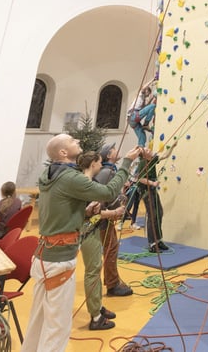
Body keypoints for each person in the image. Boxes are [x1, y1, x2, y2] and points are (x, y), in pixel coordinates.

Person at [20, 134, 141, 352]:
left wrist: (82, 212)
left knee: (38, 320)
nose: (78, 141)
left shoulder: (49, 174)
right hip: (58, 260)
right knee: (58, 326)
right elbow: (108, 191)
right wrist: (126, 163)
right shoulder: (70, 177)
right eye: (72, 141)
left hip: (44, 255)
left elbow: (59, 208)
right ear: (63, 153)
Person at [75, 151, 126, 331]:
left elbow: (91, 211)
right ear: (94, 164)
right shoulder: (85, 183)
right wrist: (112, 213)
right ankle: (95, 317)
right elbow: (86, 215)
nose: (101, 164)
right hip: (88, 231)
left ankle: (97, 307)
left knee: (95, 270)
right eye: (99, 162)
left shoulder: (89, 182)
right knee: (92, 272)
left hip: (93, 229)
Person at [95, 143, 133, 297]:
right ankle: (112, 284)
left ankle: (113, 281)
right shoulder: (108, 172)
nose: (117, 151)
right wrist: (120, 205)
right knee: (111, 250)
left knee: (111, 248)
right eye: (114, 150)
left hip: (102, 217)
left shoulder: (107, 171)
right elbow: (109, 196)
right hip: (104, 219)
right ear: (110, 155)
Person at [135, 146, 168, 252]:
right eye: (147, 150)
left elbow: (165, 155)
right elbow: (140, 178)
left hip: (152, 190)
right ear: (144, 155)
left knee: (159, 213)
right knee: (152, 215)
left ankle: (159, 240)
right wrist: (152, 183)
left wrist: (173, 146)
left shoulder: (152, 159)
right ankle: (152, 243)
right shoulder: (143, 163)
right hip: (146, 191)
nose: (150, 150)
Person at [128, 82, 156, 147]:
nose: (148, 95)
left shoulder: (143, 100)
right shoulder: (140, 95)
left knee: (143, 137)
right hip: (133, 116)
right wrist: (153, 79)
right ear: (146, 90)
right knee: (152, 106)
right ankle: (146, 124)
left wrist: (152, 98)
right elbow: (143, 87)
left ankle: (141, 153)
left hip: (134, 122)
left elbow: (146, 107)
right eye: (148, 93)